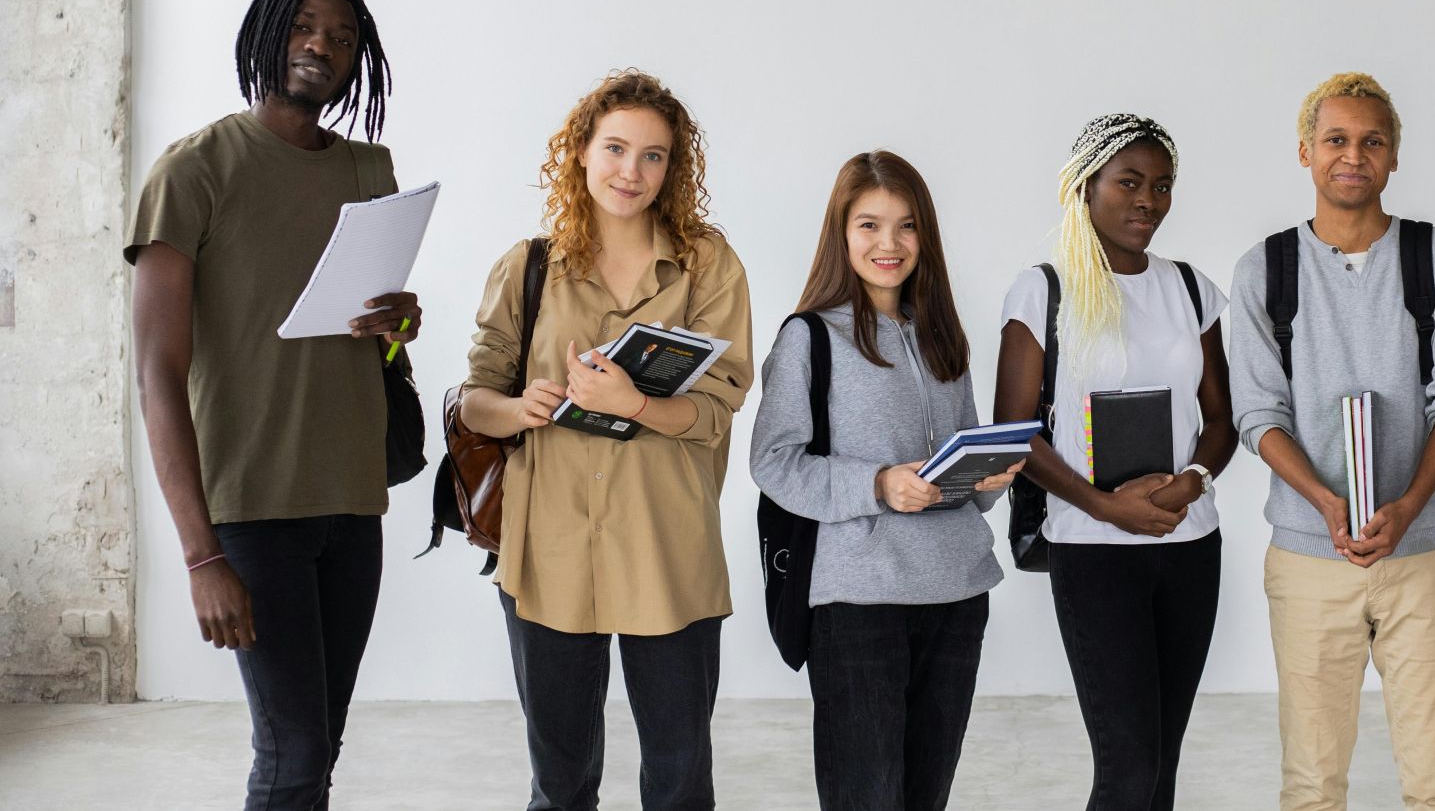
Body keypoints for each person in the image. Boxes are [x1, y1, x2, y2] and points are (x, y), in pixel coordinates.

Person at [128, 0, 421, 809]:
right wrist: (199, 555)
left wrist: (398, 322)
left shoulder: (371, 169)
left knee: (315, 748)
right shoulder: (195, 172)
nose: (320, 46)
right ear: (266, 33)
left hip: (351, 499)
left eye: (341, 36)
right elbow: (156, 374)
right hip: (251, 511)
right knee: (290, 756)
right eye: (303, 27)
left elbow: (378, 341)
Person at [459, 70, 752, 811]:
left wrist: (634, 405)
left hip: (666, 545)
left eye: (653, 156)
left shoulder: (708, 266)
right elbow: (474, 400)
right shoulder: (525, 267)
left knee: (680, 784)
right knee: (558, 788)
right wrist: (521, 406)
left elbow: (719, 409)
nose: (631, 171)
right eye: (616, 148)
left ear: (672, 169)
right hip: (547, 551)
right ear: (581, 152)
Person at [1229, 73, 1435, 811]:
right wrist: (1324, 502)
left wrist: (1405, 507)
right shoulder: (1264, 270)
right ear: (1305, 152)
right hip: (1309, 555)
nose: (1353, 155)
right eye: (1335, 139)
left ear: (1394, 155)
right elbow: (1258, 413)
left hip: (1427, 549)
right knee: (1312, 782)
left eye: (1372, 140)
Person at [751, 150, 1024, 811]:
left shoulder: (941, 338)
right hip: (856, 601)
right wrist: (877, 484)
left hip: (957, 594)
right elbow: (773, 462)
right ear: (840, 234)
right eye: (869, 225)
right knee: (866, 798)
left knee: (925, 797)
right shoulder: (808, 338)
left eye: (906, 226)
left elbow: (958, 476)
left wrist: (992, 479)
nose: (889, 244)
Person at [992, 113, 1235, 811]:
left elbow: (1220, 419)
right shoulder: (1044, 290)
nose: (1148, 200)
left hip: (1189, 545)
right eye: (1129, 182)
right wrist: (1104, 505)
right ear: (1084, 186)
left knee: (1160, 766)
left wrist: (1192, 483)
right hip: (1094, 552)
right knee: (1126, 771)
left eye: (1162, 186)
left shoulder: (1192, 288)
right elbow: (1014, 431)